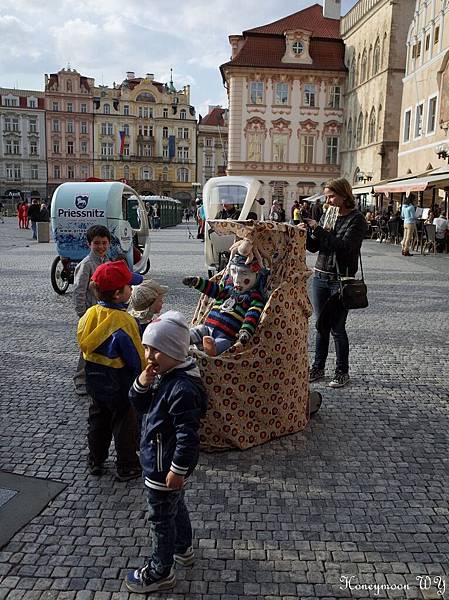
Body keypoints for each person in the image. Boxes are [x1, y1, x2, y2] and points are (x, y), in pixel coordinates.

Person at [125, 311, 208, 593]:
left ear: (174, 351)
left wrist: (177, 469)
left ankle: (161, 571)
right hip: (160, 459)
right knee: (176, 506)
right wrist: (141, 384)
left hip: (164, 466)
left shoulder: (182, 387)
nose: (149, 355)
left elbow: (188, 436)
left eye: (156, 349)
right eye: (146, 347)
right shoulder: (165, 373)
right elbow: (141, 405)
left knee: (160, 518)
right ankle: (182, 548)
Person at [77, 261, 145, 481]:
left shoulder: (89, 314)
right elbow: (136, 357)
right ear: (118, 294)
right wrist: (144, 377)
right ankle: (127, 466)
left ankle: (95, 459)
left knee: (98, 419)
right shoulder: (124, 321)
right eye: (128, 286)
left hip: (95, 379)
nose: (132, 289)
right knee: (125, 424)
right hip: (119, 382)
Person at [299, 177, 367, 389]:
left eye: (331, 196)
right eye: (326, 196)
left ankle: (341, 372)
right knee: (321, 326)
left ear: (345, 195)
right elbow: (315, 247)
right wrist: (306, 233)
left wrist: (318, 229)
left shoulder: (357, 220)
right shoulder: (329, 214)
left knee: (337, 328)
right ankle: (318, 368)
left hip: (340, 280)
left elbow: (344, 247)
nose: (327, 201)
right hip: (320, 276)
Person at [183, 251, 267, 356]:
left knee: (223, 344)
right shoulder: (227, 289)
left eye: (244, 273)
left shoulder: (254, 298)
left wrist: (245, 330)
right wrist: (197, 282)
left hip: (226, 335)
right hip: (208, 327)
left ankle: (211, 349)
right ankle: (181, 341)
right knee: (197, 330)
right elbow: (213, 289)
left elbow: (252, 315)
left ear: (257, 275)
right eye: (234, 272)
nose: (237, 279)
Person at [73, 225, 111, 395]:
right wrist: (83, 314)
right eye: (97, 243)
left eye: (104, 243)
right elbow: (78, 291)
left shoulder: (107, 262)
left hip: (106, 312)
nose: (101, 247)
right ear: (89, 244)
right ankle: (80, 378)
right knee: (87, 347)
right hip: (91, 313)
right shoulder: (86, 265)